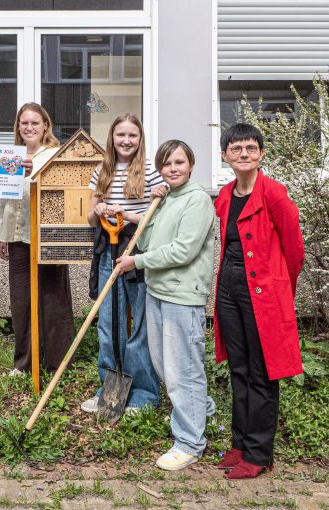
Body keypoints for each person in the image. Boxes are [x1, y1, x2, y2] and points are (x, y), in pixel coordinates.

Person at [116, 140, 216, 470]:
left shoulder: (198, 200)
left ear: (191, 165)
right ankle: (202, 411)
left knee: (182, 369)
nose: (172, 168)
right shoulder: (167, 198)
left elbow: (182, 251)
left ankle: (190, 442)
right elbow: (147, 239)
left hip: (182, 296)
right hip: (158, 291)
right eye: (166, 163)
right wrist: (147, 212)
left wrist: (137, 262)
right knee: (164, 366)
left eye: (179, 162)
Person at [213, 123, 304, 479]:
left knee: (262, 372)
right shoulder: (223, 196)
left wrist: (281, 289)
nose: (244, 154)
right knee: (238, 368)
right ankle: (240, 445)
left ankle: (258, 453)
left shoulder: (275, 194)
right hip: (229, 289)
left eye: (251, 148)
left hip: (264, 292)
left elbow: (294, 251)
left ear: (261, 154)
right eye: (236, 149)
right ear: (225, 156)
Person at [81, 113, 163, 414]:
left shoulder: (151, 174)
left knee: (140, 325)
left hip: (138, 251)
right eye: (120, 135)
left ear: (140, 139)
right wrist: (100, 208)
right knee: (108, 322)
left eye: (132, 135)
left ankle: (143, 393)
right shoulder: (102, 170)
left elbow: (156, 219)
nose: (126, 140)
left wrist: (126, 214)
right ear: (112, 138)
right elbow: (90, 219)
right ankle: (109, 389)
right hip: (108, 251)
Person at [0, 103, 74, 375]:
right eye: (24, 123)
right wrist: (1, 235)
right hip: (17, 238)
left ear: (45, 127)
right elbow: (2, 199)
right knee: (21, 302)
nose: (29, 127)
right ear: (18, 127)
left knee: (54, 300)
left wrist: (33, 176)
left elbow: (62, 193)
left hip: (48, 237)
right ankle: (24, 364)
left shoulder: (54, 155)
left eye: (34, 123)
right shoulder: (10, 157)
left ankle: (57, 364)